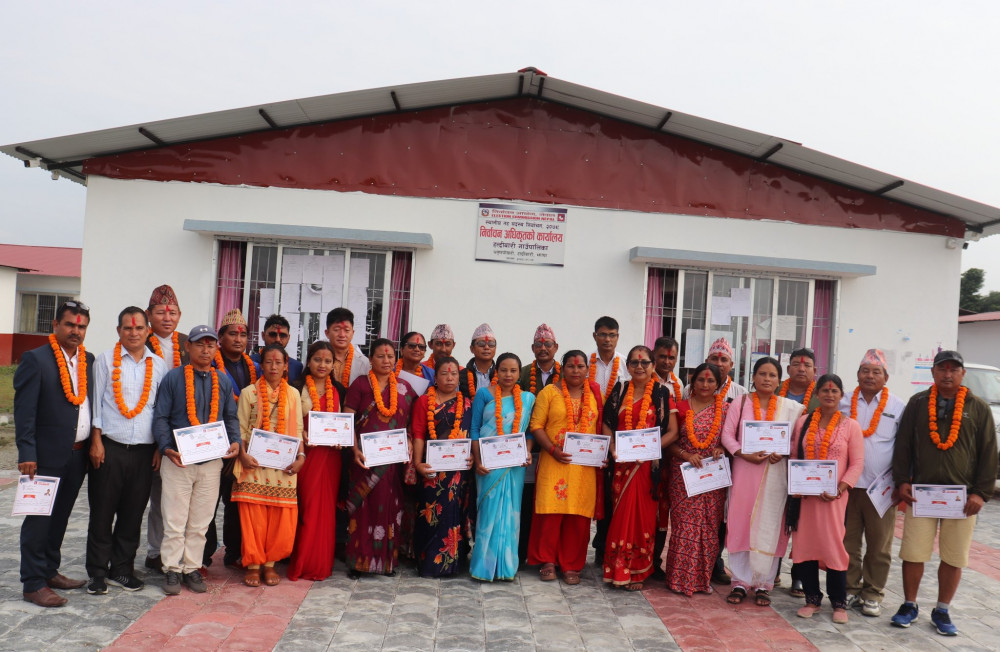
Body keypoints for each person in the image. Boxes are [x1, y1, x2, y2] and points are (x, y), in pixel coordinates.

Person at [890, 350, 998, 636]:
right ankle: (909, 605)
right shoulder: (918, 403)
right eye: (942, 369)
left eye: (953, 369)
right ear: (933, 372)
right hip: (921, 494)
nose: (947, 374)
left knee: (954, 556)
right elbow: (903, 444)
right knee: (913, 552)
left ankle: (942, 609)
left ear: (963, 374)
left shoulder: (978, 408)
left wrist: (981, 493)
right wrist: (901, 480)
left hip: (962, 499)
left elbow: (989, 452)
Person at [15, 300, 94, 607]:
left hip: (76, 455)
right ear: (55, 325)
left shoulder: (87, 360)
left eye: (81, 326)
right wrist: (27, 452)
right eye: (70, 325)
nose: (76, 331)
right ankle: (33, 583)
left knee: (60, 517)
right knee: (38, 520)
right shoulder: (36, 359)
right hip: (43, 457)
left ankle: (49, 570)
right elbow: (24, 411)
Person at [151, 325, 241, 595]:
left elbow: (230, 417)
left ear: (216, 349)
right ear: (187, 347)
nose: (205, 350)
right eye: (200, 344)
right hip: (178, 460)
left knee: (201, 521)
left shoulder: (222, 380)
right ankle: (171, 568)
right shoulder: (173, 378)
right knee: (174, 520)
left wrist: (235, 441)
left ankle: (191, 567)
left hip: (211, 463)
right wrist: (166, 447)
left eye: (210, 345)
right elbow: (161, 417)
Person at [86, 307, 168, 595]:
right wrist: (96, 440)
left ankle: (121, 570)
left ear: (148, 331)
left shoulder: (159, 365)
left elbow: (161, 411)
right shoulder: (105, 360)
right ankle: (97, 573)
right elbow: (96, 403)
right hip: (110, 448)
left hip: (145, 452)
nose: (133, 333)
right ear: (118, 331)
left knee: (133, 514)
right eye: (127, 328)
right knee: (102, 512)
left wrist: (159, 448)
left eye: (139, 328)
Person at [720, 356, 804, 607]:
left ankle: (763, 584)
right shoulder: (740, 402)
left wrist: (784, 452)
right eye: (762, 374)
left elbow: (796, 440)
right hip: (745, 471)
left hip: (775, 474)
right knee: (741, 523)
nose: (767, 379)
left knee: (771, 524)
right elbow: (727, 435)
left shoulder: (790, 408)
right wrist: (742, 453)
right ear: (754, 377)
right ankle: (739, 582)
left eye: (772, 375)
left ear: (779, 381)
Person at [788, 374, 864, 624]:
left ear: (841, 395)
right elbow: (793, 455)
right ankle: (812, 599)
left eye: (834, 391)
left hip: (834, 498)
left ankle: (838, 602)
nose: (829, 395)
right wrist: (795, 484)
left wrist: (840, 489)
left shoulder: (850, 426)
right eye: (825, 390)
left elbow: (857, 463)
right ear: (817, 394)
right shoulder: (803, 422)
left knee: (833, 546)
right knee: (805, 545)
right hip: (805, 497)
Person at [602, 345, 677, 591]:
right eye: (634, 362)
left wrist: (650, 450)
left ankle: (638, 570)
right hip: (622, 465)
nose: (639, 367)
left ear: (653, 366)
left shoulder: (662, 393)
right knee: (621, 515)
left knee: (643, 517)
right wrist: (613, 447)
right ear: (628, 366)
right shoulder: (620, 389)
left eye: (645, 362)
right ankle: (617, 568)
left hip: (648, 468)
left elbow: (673, 432)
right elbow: (607, 423)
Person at [528, 350, 604, 585]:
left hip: (584, 467)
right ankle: (547, 561)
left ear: (587, 369)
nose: (576, 370)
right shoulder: (549, 393)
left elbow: (600, 427)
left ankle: (572, 563)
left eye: (580, 366)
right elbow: (536, 426)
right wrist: (552, 450)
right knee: (551, 513)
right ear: (563, 369)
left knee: (577, 515)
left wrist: (602, 453)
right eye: (571, 366)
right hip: (554, 462)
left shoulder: (595, 394)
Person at [839, 349, 905, 617]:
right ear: (857, 374)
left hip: (882, 490)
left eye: (876, 372)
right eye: (865, 371)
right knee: (847, 542)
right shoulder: (842, 402)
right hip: (847, 486)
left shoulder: (897, 406)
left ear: (885, 377)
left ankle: (873, 593)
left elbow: (905, 447)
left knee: (879, 546)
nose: (870, 376)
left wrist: (902, 482)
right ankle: (849, 589)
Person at [234, 344, 305, 587]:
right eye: (268, 362)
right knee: (253, 517)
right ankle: (253, 565)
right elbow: (241, 428)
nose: (273, 367)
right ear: (261, 365)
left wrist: (301, 457)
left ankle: (270, 564)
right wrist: (243, 455)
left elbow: (298, 430)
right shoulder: (249, 393)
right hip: (253, 463)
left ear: (286, 366)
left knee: (281, 519)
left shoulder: (293, 394)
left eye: (278, 362)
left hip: (284, 465)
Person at [344, 338, 416, 576]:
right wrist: (354, 450)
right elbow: (348, 422)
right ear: (371, 359)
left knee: (389, 510)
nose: (386, 361)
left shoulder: (405, 388)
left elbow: (411, 424)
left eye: (390, 357)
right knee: (363, 510)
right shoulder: (360, 385)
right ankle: (359, 563)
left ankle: (386, 562)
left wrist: (408, 443)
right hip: (364, 460)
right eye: (380, 356)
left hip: (392, 463)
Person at [664, 362, 729, 596]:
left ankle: (701, 580)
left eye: (711, 380)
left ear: (718, 384)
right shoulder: (680, 407)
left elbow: (732, 439)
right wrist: (686, 455)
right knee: (684, 527)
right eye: (701, 379)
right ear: (693, 381)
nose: (705, 384)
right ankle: (678, 579)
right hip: (684, 475)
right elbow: (669, 442)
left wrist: (722, 447)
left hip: (713, 478)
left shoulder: (726, 410)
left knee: (709, 528)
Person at [469, 353, 536, 581]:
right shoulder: (484, 394)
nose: (508, 375)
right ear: (497, 371)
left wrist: (527, 451)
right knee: (488, 512)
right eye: (504, 370)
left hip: (514, 465)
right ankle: (483, 567)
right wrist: (478, 460)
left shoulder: (527, 398)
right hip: (488, 465)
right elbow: (475, 429)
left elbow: (528, 432)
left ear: (519, 373)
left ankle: (506, 567)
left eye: (513, 370)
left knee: (511, 513)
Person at [287, 341, 346, 581]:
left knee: (326, 510)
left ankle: (321, 563)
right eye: (318, 359)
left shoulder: (339, 389)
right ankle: (302, 561)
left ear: (333, 365)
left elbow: (344, 422)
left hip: (331, 456)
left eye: (328, 361)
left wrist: (342, 439)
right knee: (307, 506)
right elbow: (290, 419)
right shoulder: (296, 387)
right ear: (309, 361)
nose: (322, 365)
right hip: (307, 454)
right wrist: (299, 432)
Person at [207, 308, 262, 568]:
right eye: (232, 334)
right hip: (213, 442)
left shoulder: (256, 368)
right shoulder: (209, 365)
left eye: (243, 335)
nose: (238, 339)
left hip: (243, 443)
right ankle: (203, 554)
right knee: (207, 502)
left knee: (235, 501)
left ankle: (234, 551)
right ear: (220, 338)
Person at [412, 356, 474, 577]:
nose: (450, 378)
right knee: (431, 514)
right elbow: (419, 434)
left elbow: (472, 435)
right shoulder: (424, 402)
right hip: (432, 468)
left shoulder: (467, 404)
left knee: (454, 513)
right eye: (444, 374)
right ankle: (429, 563)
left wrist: (473, 457)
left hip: (458, 471)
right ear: (435, 378)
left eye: (454, 374)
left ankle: (453, 563)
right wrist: (418, 463)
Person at [143, 284, 186, 575]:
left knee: (177, 498)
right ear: (149, 315)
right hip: (147, 430)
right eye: (160, 312)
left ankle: (177, 552)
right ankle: (154, 552)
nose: (167, 318)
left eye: (172, 313)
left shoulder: (188, 343)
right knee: (155, 497)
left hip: (183, 432)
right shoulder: (139, 341)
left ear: (180, 315)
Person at [776, 346, 819, 596]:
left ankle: (799, 576)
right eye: (796, 364)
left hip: (806, 467)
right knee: (774, 519)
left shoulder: (821, 396)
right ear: (788, 368)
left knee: (802, 524)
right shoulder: (774, 390)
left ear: (815, 370)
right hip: (774, 463)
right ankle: (772, 570)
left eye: (807, 365)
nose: (801, 369)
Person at [589, 316, 628, 566]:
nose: (607, 339)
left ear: (617, 337)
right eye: (602, 334)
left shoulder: (626, 364)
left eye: (612, 335)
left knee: (611, 492)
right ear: (595, 336)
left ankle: (605, 546)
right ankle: (595, 543)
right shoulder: (585, 363)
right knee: (591, 491)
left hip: (616, 437)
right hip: (588, 436)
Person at [682, 338, 748, 401]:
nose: (719, 364)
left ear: (731, 365)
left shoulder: (741, 393)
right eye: (714, 359)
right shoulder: (689, 390)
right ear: (707, 362)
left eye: (724, 360)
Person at [326, 307, 371, 388]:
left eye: (347, 330)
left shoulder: (364, 363)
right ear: (327, 333)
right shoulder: (315, 359)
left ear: (353, 333)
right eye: (336, 330)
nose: (342, 335)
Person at [251, 314, 304, 383]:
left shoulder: (296, 367)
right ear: (263, 336)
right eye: (273, 334)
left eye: (282, 335)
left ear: (288, 338)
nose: (278, 339)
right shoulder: (250, 362)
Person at [519, 324, 561, 395]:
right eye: (538, 344)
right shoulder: (522, 373)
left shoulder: (565, 373)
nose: (543, 348)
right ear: (533, 348)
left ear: (556, 347)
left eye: (548, 344)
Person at [459, 323, 497, 397]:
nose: (486, 347)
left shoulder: (502, 375)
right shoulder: (461, 375)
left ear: (495, 348)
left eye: (491, 344)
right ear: (472, 349)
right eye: (481, 344)